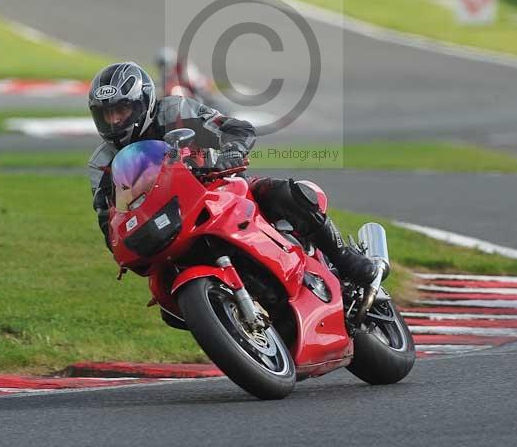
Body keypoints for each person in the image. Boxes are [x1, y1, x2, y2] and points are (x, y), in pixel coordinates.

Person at [88, 61, 377, 286]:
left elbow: (236, 129)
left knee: (283, 192)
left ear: (142, 104)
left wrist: (230, 152)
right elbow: (108, 222)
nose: (114, 121)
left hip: (212, 190)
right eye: (106, 115)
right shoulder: (101, 164)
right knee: (165, 295)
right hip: (166, 227)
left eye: (122, 110)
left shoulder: (174, 112)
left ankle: (344, 257)